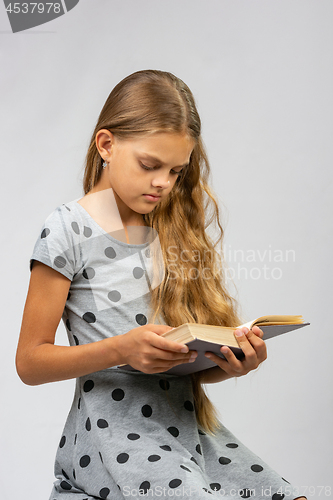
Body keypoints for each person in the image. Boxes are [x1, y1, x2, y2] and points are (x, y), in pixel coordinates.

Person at [16, 70, 306, 500]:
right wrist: (120, 349)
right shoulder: (67, 229)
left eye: (175, 171)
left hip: (187, 432)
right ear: (107, 145)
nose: (162, 184)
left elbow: (181, 367)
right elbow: (29, 362)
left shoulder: (173, 230)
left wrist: (228, 361)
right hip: (113, 439)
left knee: (286, 494)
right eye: (150, 166)